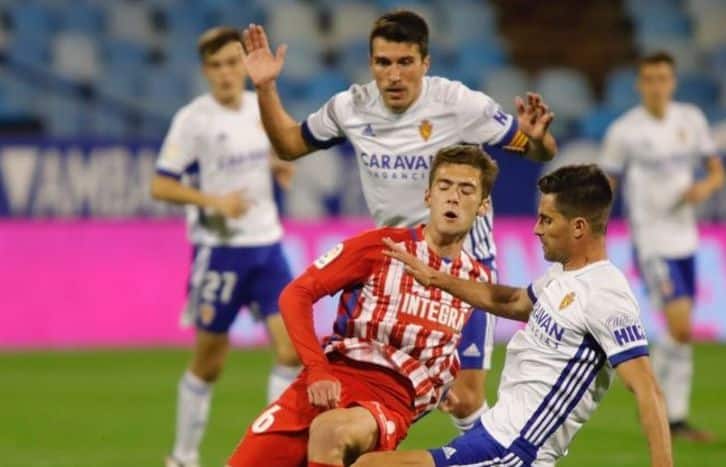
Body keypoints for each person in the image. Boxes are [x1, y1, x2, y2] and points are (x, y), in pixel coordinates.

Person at [240, 9, 557, 432]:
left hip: (459, 265)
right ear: (371, 63)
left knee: (464, 398)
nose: (393, 75)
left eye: (405, 62)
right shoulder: (351, 107)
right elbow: (288, 144)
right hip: (390, 271)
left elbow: (537, 150)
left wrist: (537, 141)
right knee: (368, 387)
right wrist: (265, 87)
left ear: (425, 63)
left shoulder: (458, 104)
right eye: (383, 63)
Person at [354, 164, 672, 467]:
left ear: (578, 227)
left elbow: (648, 389)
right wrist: (437, 278)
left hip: (516, 451)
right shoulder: (564, 274)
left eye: (547, 220)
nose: (536, 229)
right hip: (493, 430)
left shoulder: (606, 295)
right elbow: (515, 301)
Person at [227, 145, 499, 467]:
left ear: (482, 206)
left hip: (389, 397)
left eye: (466, 190)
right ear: (428, 196)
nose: (453, 197)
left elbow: (454, 360)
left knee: (331, 432)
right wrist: (317, 369)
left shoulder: (476, 283)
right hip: (328, 379)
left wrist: (438, 389)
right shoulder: (382, 246)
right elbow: (296, 294)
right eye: (444, 186)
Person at [150, 27, 300, 467]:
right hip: (220, 252)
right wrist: (215, 201)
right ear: (206, 71)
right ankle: (182, 456)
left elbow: (280, 150)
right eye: (216, 66)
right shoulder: (193, 120)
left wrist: (278, 168)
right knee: (209, 362)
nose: (227, 73)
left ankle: (275, 452)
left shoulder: (260, 108)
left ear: (243, 64)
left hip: (268, 247)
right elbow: (161, 184)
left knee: (290, 350)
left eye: (233, 63)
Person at [600, 51, 724, 441]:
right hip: (650, 240)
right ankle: (644, 385)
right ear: (640, 84)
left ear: (673, 82)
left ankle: (674, 416)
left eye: (663, 79)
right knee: (681, 327)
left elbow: (715, 170)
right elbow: (608, 184)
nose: (657, 86)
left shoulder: (691, 120)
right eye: (649, 79)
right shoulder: (625, 131)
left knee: (680, 334)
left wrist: (704, 187)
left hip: (686, 238)